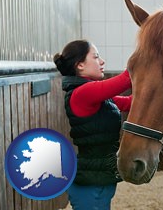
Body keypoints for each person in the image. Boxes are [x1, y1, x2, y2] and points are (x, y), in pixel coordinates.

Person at [53, 40, 132, 210]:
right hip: (90, 184)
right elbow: (125, 80)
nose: (102, 61)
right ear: (80, 65)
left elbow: (127, 103)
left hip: (98, 177)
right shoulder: (83, 93)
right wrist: (144, 57)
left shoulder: (94, 94)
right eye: (96, 57)